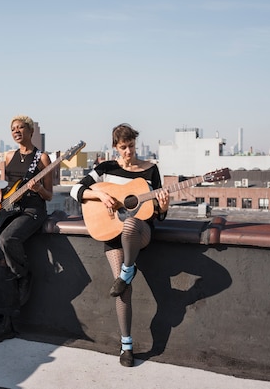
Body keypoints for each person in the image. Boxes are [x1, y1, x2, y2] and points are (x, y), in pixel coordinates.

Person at [70, 123, 169, 367]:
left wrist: (164, 207)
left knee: (131, 224)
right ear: (115, 147)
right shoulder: (105, 168)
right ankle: (126, 345)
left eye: (131, 146)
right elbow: (76, 189)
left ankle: (127, 271)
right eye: (123, 147)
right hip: (112, 234)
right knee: (123, 290)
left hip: (140, 232)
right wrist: (101, 195)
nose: (128, 151)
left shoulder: (151, 170)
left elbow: (157, 212)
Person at [0, 115, 53, 344]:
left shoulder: (41, 158)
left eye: (21, 127)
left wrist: (39, 188)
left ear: (31, 131)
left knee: (7, 239)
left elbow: (49, 195)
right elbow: (5, 188)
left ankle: (24, 274)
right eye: (13, 128)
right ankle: (5, 324)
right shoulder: (8, 156)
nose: (16, 131)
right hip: (11, 210)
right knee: (2, 264)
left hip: (33, 211)